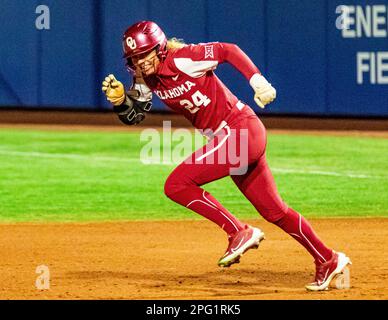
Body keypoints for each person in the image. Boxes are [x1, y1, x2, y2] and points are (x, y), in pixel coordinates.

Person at [102, 21, 351, 291]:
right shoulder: (145, 77)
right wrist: (120, 101)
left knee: (176, 185)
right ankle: (327, 258)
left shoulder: (183, 59)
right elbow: (135, 114)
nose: (139, 61)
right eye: (134, 57)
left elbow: (228, 50)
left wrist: (257, 81)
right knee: (275, 211)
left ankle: (238, 231)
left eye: (144, 53)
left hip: (241, 131)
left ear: (160, 48)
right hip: (231, 139)